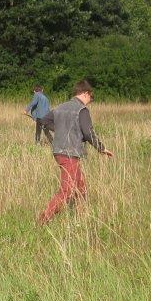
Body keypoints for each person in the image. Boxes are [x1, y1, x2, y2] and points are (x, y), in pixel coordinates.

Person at [38, 80, 112, 223]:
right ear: (85, 93)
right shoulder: (81, 110)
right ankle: (43, 220)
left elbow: (43, 120)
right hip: (69, 153)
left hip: (58, 151)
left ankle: (82, 217)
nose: (90, 100)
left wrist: (59, 129)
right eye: (91, 97)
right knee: (68, 190)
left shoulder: (60, 107)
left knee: (80, 186)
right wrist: (101, 148)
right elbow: (88, 132)